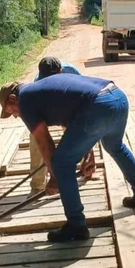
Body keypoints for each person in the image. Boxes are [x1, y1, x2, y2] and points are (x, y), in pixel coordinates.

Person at [0, 75, 135, 242]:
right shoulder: (40, 90)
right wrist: (86, 154)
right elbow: (76, 126)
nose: (15, 116)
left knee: (61, 162)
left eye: (11, 111)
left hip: (98, 106)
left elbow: (45, 144)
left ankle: (76, 225)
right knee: (114, 146)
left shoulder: (25, 101)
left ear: (13, 99)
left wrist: (55, 178)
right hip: (117, 98)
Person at [29, 57, 94, 192]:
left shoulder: (72, 72)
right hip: (49, 109)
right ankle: (37, 184)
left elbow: (85, 104)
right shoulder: (38, 80)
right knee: (35, 137)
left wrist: (89, 151)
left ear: (60, 71)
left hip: (70, 108)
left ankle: (87, 167)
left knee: (79, 133)